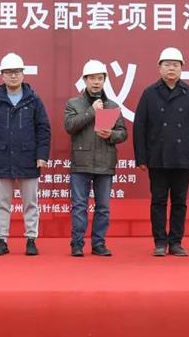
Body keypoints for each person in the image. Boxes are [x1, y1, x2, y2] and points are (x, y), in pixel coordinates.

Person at [133, 47, 189, 257]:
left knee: (179, 202)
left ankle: (175, 242)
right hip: (157, 157)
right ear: (159, 68)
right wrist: (141, 158)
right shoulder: (149, 93)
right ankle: (159, 242)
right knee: (158, 201)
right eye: (167, 64)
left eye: (175, 65)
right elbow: (139, 127)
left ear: (182, 68)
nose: (171, 68)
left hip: (183, 157)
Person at [0, 52, 51, 256]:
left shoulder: (34, 100)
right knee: (2, 203)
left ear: (23, 74)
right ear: (2, 75)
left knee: (30, 203)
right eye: (9, 72)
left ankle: (31, 239)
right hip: (1, 158)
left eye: (17, 72)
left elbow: (43, 129)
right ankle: (1, 240)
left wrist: (42, 155)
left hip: (29, 158)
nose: (13, 76)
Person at [64, 59, 127, 257]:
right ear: (85, 80)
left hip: (105, 162)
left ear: (105, 80)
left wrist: (111, 135)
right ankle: (77, 244)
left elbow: (123, 133)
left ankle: (99, 244)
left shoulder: (112, 105)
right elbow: (69, 126)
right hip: (81, 163)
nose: (96, 82)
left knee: (103, 208)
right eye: (92, 78)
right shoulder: (73, 103)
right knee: (79, 206)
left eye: (100, 78)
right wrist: (92, 112)